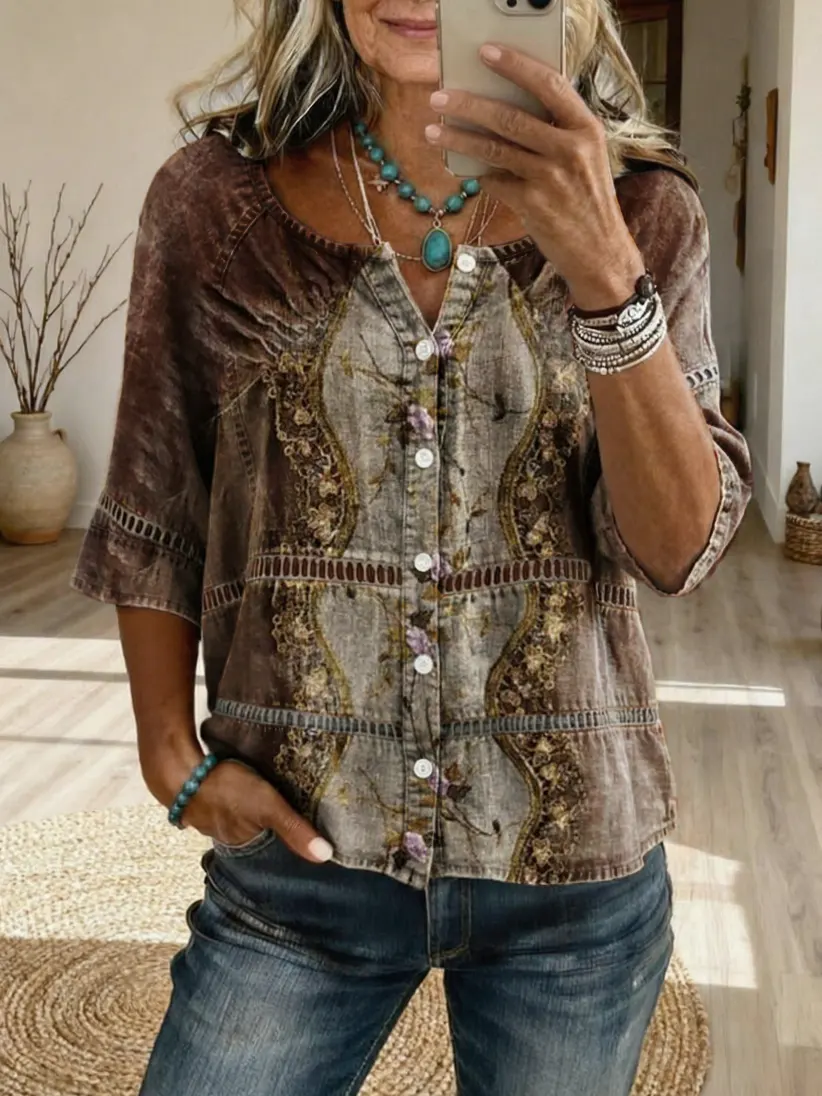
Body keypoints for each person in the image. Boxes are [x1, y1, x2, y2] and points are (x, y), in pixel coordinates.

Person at [72, 0, 752, 1092]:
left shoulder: (643, 211)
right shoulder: (214, 206)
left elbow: (676, 550)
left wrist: (603, 269)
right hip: (300, 867)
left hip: (572, 889)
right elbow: (157, 498)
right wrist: (169, 756)